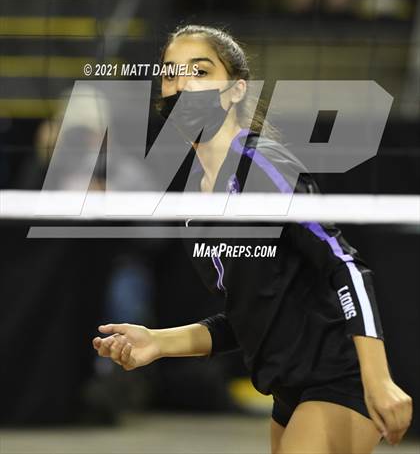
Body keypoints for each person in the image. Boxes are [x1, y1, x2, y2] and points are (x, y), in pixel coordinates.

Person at [93, 25, 412, 454]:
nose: (182, 84)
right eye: (171, 74)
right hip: (286, 390)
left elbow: (346, 265)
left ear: (236, 90)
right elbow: (244, 317)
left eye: (200, 72)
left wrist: (379, 379)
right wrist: (158, 342)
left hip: (339, 379)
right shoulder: (192, 198)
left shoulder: (262, 163)